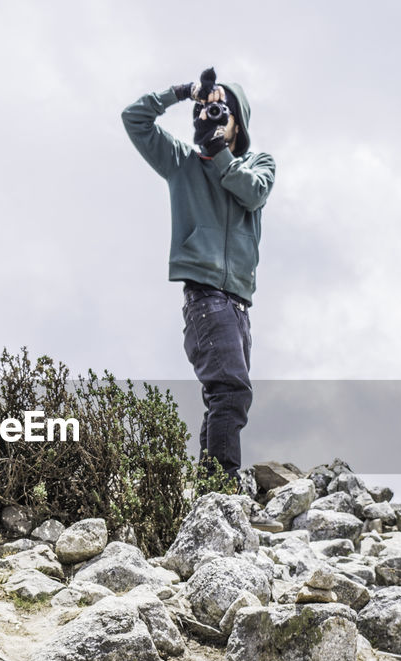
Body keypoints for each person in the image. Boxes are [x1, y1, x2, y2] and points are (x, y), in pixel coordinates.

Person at [122, 70, 276, 484]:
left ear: (237, 123)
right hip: (207, 299)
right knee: (231, 391)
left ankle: (211, 484)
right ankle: (220, 486)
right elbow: (133, 118)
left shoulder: (257, 164)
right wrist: (180, 92)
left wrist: (219, 152)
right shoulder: (181, 164)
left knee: (222, 395)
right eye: (206, 109)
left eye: (220, 110)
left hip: (239, 306)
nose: (211, 116)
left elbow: (253, 192)